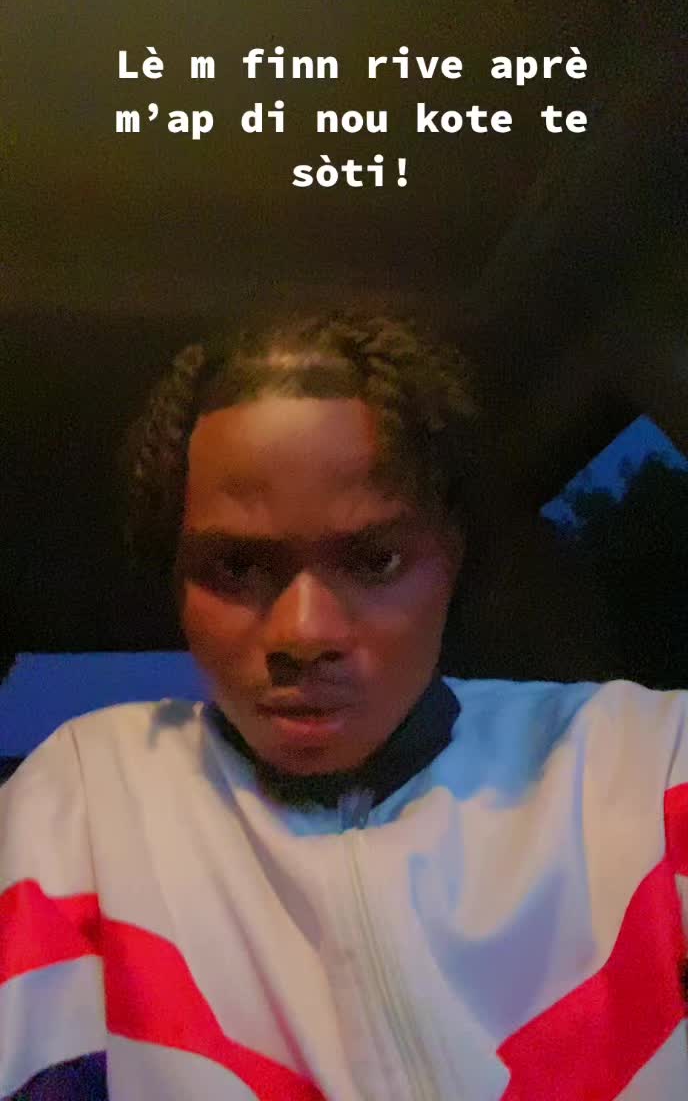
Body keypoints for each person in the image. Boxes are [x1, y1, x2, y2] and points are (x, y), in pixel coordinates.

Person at [1, 305, 687, 1101]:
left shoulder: (641, 761)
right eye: (236, 568)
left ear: (453, 559)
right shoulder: (87, 796)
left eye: (376, 559)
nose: (304, 632)